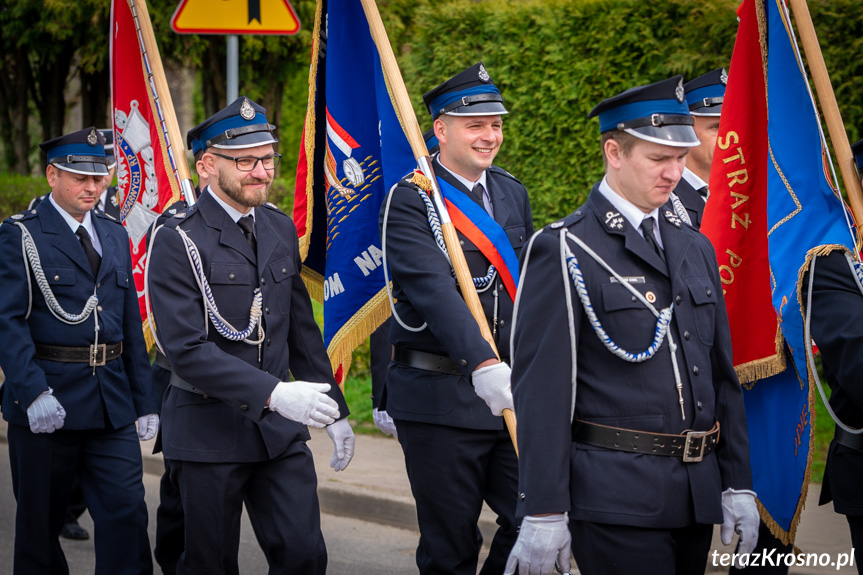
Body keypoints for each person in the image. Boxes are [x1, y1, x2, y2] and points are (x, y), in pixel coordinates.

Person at [505, 76, 759, 575]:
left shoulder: (696, 246)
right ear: (614, 152)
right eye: (658, 158)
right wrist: (543, 510)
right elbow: (542, 391)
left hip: (694, 496)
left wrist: (737, 481)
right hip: (615, 497)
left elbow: (719, 374)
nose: (673, 173)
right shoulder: (566, 247)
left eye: (681, 158)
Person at [146, 97, 354, 575]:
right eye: (245, 161)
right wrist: (276, 393)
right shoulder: (178, 238)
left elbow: (301, 330)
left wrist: (335, 409)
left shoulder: (279, 225)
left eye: (267, 158)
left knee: (304, 556)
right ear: (206, 166)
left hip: (277, 435)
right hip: (206, 429)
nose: (261, 171)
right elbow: (185, 350)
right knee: (210, 563)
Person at [379, 62, 533, 574]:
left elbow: (523, 292)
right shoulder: (410, 198)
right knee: (450, 548)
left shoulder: (511, 192)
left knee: (534, 521)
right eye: (476, 125)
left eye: (496, 124)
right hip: (440, 399)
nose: (490, 136)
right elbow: (433, 292)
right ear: (441, 129)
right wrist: (484, 363)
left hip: (507, 394)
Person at [0, 127, 158, 574]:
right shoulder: (20, 236)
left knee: (127, 513)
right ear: (52, 175)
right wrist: (31, 392)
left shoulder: (113, 234)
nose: (92, 188)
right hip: (48, 402)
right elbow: (7, 321)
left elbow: (129, 321)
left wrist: (145, 400)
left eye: (99, 177)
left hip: (111, 404)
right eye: (79, 178)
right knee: (39, 529)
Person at [148, 137, 207, 575]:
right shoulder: (174, 226)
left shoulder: (264, 221)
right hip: (183, 383)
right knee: (178, 496)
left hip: (248, 388)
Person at [668, 68, 726, 230]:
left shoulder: (747, 191)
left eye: (735, 128)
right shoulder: (663, 199)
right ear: (686, 130)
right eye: (717, 127)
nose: (729, 139)